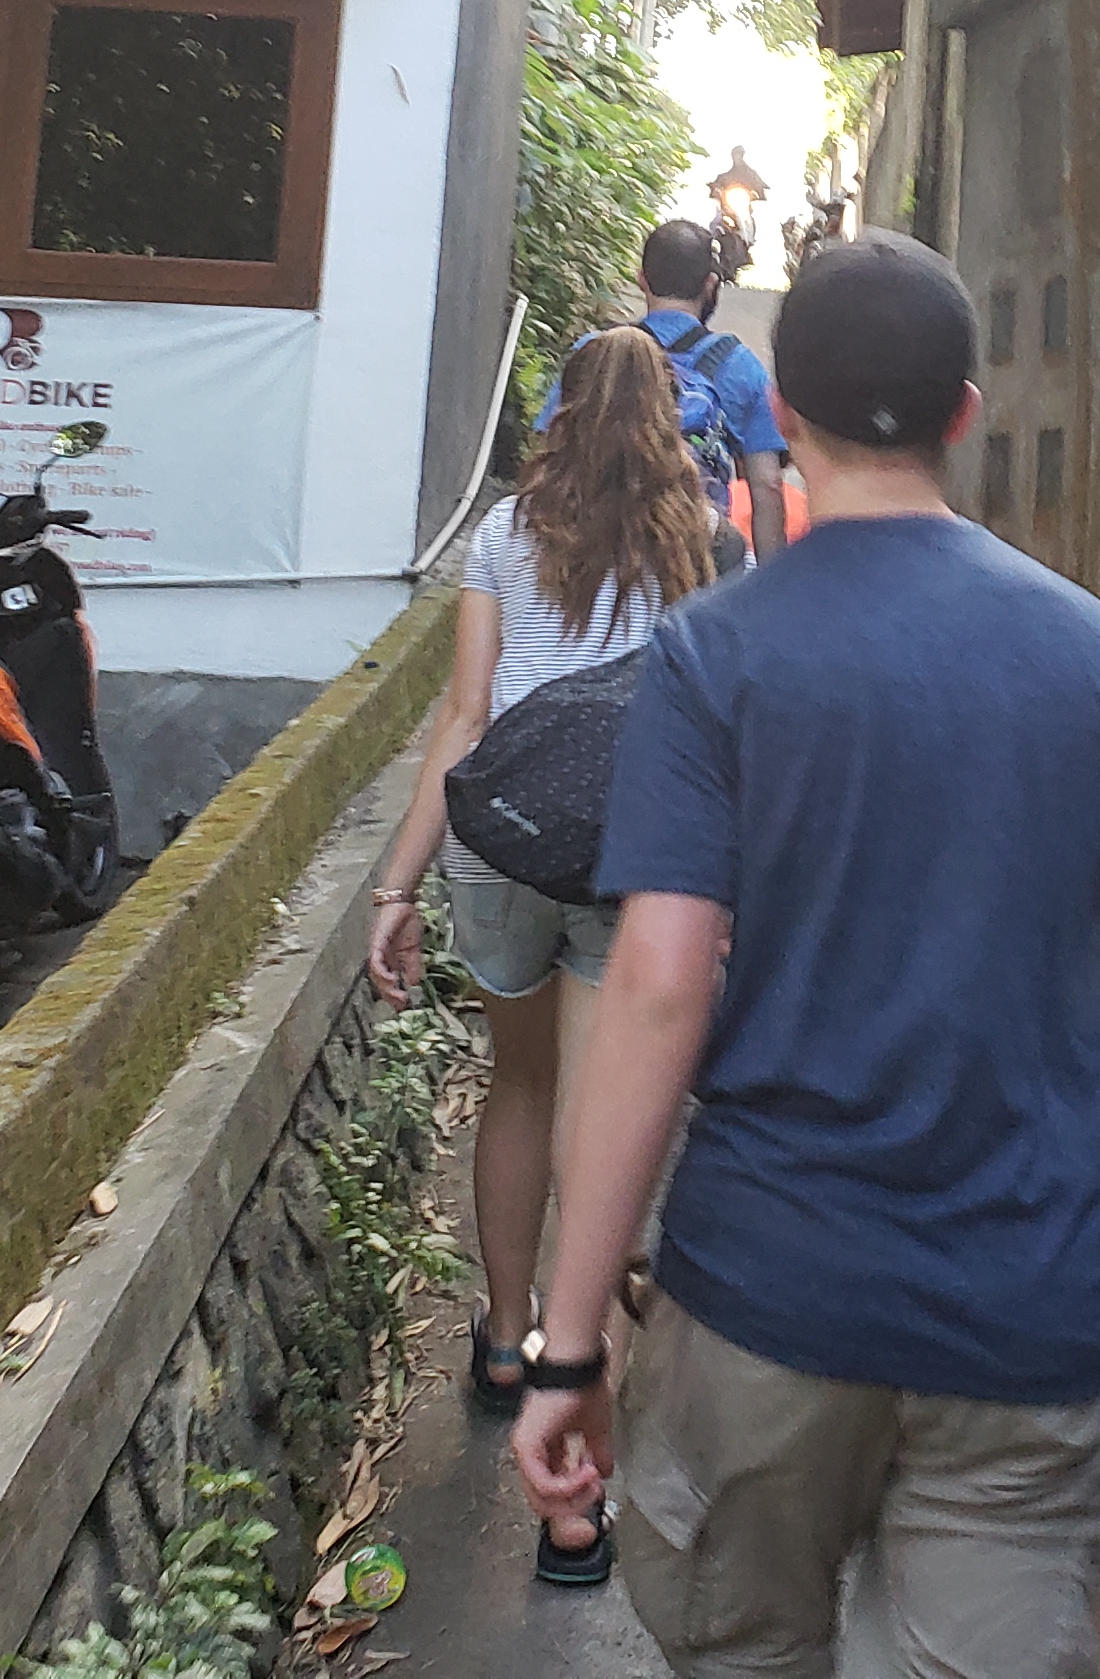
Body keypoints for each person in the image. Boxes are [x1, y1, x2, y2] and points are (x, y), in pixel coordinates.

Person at [512, 232, 1100, 1674]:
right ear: (968, 409)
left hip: (767, 1300)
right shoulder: (1093, 656)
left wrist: (569, 1341)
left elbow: (655, 989)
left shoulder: (717, 657)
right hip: (1022, 1308)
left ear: (785, 407)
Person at [368, 327, 719, 1586]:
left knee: (518, 1088)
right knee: (604, 1129)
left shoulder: (507, 534)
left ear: (562, 408)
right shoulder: (698, 541)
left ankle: (505, 1343)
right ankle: (573, 1506)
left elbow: (462, 718)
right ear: (669, 414)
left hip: (504, 839)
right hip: (632, 854)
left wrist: (396, 884)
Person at [541, 218, 789, 565]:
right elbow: (767, 485)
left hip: (594, 550)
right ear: (710, 285)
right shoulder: (739, 365)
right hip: (692, 555)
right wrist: (771, 583)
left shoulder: (592, 353)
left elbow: (547, 451)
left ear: (641, 279)